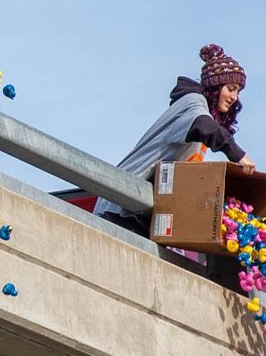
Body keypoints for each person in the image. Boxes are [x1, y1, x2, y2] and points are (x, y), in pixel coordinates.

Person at [94, 44, 255, 228]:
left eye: (238, 92)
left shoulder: (200, 113)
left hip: (141, 210)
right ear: (216, 87)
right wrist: (238, 154)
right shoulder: (192, 103)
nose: (234, 97)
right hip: (120, 204)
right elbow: (204, 126)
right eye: (231, 88)